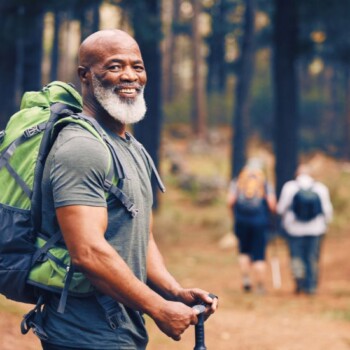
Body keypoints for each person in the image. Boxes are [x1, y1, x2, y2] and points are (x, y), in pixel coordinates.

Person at [37, 29, 218, 350]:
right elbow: (88, 252)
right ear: (86, 75)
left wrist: (173, 292)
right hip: (83, 334)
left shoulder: (130, 146)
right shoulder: (81, 147)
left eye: (137, 66)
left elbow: (138, 235)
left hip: (121, 330)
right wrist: (158, 308)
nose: (130, 76)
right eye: (115, 66)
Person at [277, 164, 333, 295]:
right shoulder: (320, 188)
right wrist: (326, 225)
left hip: (294, 229)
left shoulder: (289, 187)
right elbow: (327, 210)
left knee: (296, 256)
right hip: (316, 229)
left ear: (297, 173)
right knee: (312, 257)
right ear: (311, 174)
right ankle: (311, 286)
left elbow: (281, 208)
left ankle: (299, 283)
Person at [227, 158, 277, 294]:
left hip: (241, 221)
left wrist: (234, 215)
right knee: (259, 255)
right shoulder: (264, 183)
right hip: (259, 222)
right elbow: (272, 204)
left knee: (244, 252)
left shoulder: (238, 181)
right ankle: (260, 286)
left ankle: (246, 281)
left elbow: (230, 201)